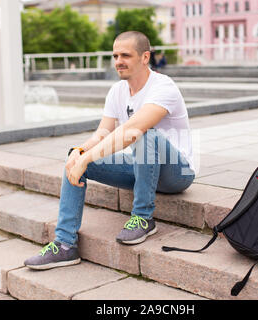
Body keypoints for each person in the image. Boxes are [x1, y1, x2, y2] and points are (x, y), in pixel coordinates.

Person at [24, 31, 195, 270]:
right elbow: (103, 133)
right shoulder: (117, 90)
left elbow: (132, 131)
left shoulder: (163, 87)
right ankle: (65, 245)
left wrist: (88, 157)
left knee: (147, 134)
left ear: (145, 57)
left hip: (177, 173)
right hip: (142, 168)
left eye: (125, 55)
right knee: (77, 158)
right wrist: (81, 151)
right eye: (115, 55)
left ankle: (143, 218)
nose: (118, 61)